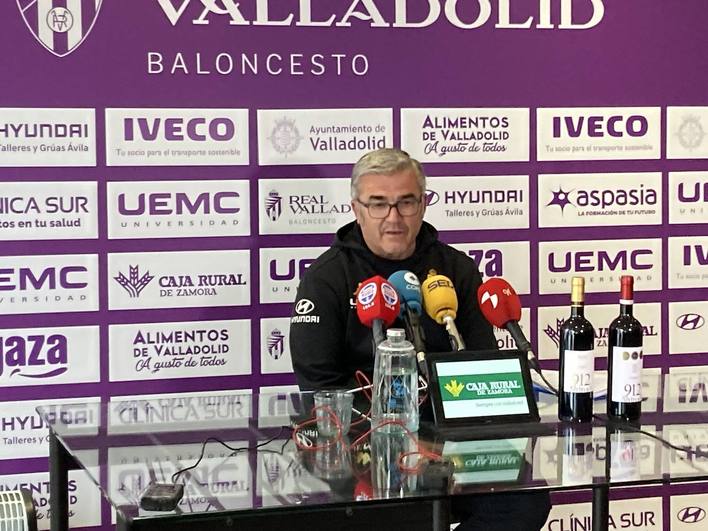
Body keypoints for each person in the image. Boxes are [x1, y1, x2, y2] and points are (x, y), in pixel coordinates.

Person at [289, 148, 551, 531]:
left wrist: (444, 447)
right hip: (363, 450)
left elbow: (482, 369)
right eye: (378, 204)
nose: (393, 218)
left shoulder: (456, 270)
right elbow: (321, 391)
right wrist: (393, 442)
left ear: (424, 204)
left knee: (525, 500)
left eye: (406, 202)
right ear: (357, 209)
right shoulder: (327, 277)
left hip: (452, 449)